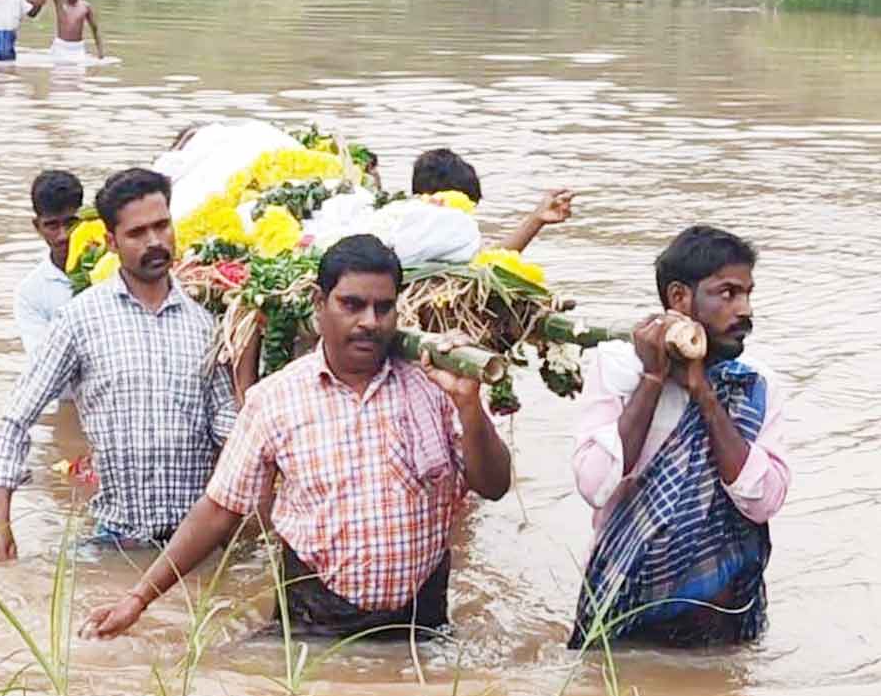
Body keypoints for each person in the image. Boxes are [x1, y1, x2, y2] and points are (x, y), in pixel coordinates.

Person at [81, 234, 514, 641]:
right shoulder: (276, 399)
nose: (369, 322)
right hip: (315, 623)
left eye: (383, 308)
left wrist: (470, 405)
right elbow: (219, 510)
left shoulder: (433, 387)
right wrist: (138, 599)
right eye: (352, 305)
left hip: (421, 623)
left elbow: (494, 486)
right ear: (319, 304)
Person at [0, 168, 255, 561]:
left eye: (162, 226)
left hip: (193, 544)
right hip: (115, 540)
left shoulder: (206, 325)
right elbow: (18, 415)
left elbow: (228, 433)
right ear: (111, 242)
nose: (155, 242)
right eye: (137, 233)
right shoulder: (80, 320)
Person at [569, 226, 789, 648]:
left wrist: (703, 393)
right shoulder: (620, 368)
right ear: (679, 298)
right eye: (727, 293)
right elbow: (595, 485)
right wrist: (653, 379)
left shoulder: (755, 385)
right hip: (628, 611)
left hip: (722, 620)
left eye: (747, 294)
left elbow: (763, 501)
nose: (744, 310)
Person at [373, 148, 575, 265]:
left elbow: (486, 258)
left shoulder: (388, 220)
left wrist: (536, 220)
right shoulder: (424, 223)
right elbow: (486, 261)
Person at [14, 170, 82, 366]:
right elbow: (42, 360)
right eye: (52, 226)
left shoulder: (112, 269)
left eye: (71, 224)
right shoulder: (30, 292)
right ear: (38, 226)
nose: (63, 236)